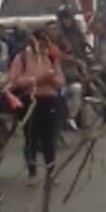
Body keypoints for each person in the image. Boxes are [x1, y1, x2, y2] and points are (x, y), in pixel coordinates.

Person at [10, 24, 66, 186]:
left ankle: (51, 172)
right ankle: (32, 172)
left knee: (49, 138)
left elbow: (60, 80)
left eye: (45, 41)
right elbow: (14, 81)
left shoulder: (51, 57)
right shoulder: (22, 58)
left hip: (49, 100)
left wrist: (52, 79)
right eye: (40, 41)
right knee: (31, 137)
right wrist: (36, 80)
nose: (43, 45)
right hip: (30, 101)